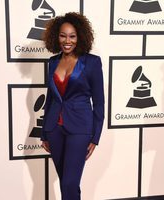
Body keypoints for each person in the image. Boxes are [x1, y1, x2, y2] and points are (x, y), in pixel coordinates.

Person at [41, 12, 105, 200]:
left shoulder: (92, 62)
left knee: (69, 182)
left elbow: (99, 102)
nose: (67, 40)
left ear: (80, 37)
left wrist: (95, 136)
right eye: (62, 35)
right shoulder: (52, 62)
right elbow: (50, 98)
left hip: (80, 129)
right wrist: (44, 132)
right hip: (54, 129)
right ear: (56, 36)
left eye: (72, 36)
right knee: (66, 183)